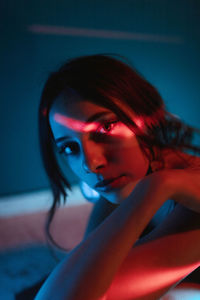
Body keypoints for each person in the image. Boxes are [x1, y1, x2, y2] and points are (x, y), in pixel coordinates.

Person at [35, 54, 200, 300]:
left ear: (148, 117)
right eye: (70, 148)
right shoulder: (128, 181)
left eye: (106, 128)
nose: (91, 163)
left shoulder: (190, 203)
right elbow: (87, 263)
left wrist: (160, 186)